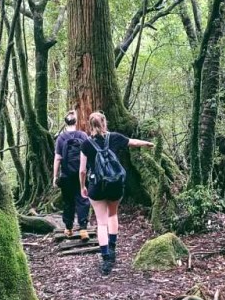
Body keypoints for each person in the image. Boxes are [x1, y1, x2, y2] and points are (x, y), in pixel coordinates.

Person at [79, 111, 154, 275]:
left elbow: (83, 171)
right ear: (104, 123)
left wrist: (82, 187)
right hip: (115, 184)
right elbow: (132, 142)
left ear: (90, 125)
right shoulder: (114, 137)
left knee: (101, 222)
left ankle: (106, 258)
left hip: (96, 186)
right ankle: (113, 247)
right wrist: (147, 143)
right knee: (113, 215)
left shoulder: (86, 144)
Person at [53, 111, 91, 240]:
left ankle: (68, 229)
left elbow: (58, 158)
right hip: (82, 174)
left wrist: (55, 176)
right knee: (83, 200)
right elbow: (90, 153)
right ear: (76, 122)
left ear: (65, 123)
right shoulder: (83, 135)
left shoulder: (61, 138)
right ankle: (83, 229)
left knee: (68, 202)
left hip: (66, 175)